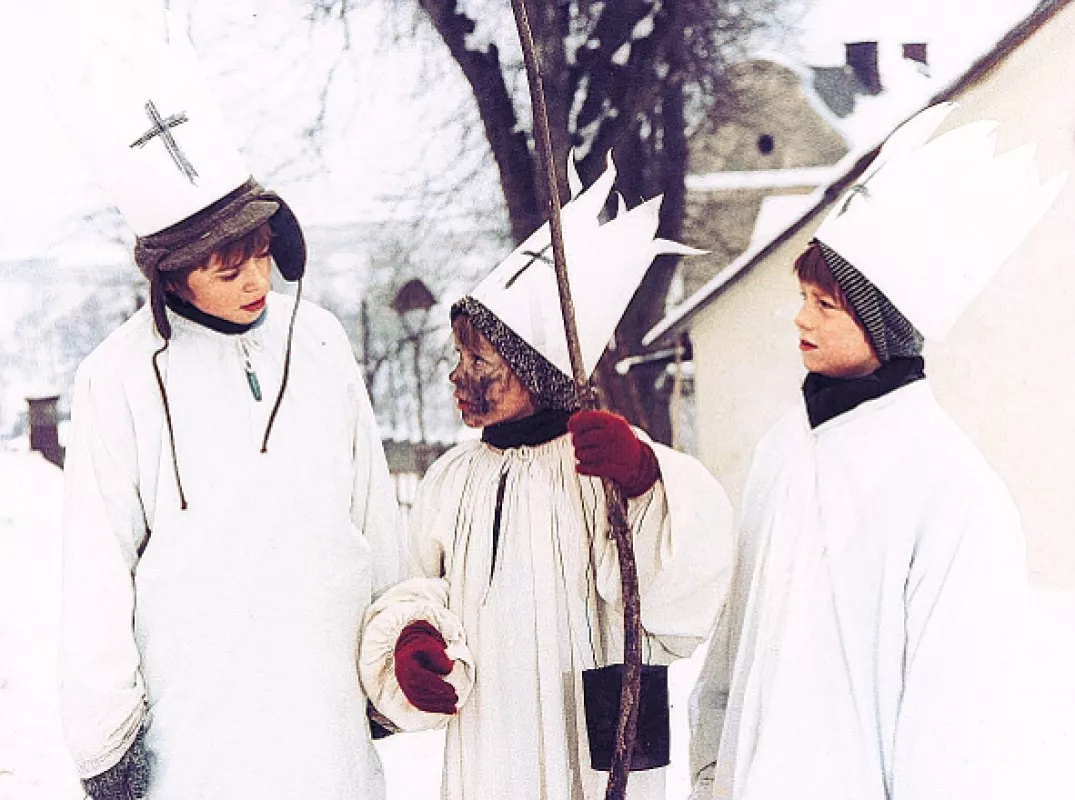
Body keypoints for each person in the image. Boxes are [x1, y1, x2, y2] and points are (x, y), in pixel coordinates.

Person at [54, 34, 402, 800]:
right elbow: (96, 568)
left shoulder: (318, 338)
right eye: (227, 264)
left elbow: (372, 506)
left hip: (325, 713)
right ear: (173, 269)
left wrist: (393, 646)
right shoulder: (117, 377)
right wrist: (106, 739)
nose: (256, 278)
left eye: (262, 252)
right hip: (199, 723)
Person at [687, 103, 1064, 800]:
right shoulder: (784, 448)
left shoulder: (948, 486)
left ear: (882, 324)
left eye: (824, 306)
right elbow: (732, 651)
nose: (798, 318)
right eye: (801, 296)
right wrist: (713, 772)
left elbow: (952, 717)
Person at [357, 154, 735, 800]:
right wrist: (413, 640)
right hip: (490, 748)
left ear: (536, 374)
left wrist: (645, 479)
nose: (458, 375)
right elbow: (422, 588)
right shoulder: (452, 480)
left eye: (479, 359)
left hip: (594, 748)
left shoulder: (600, 459)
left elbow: (680, 584)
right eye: (458, 355)